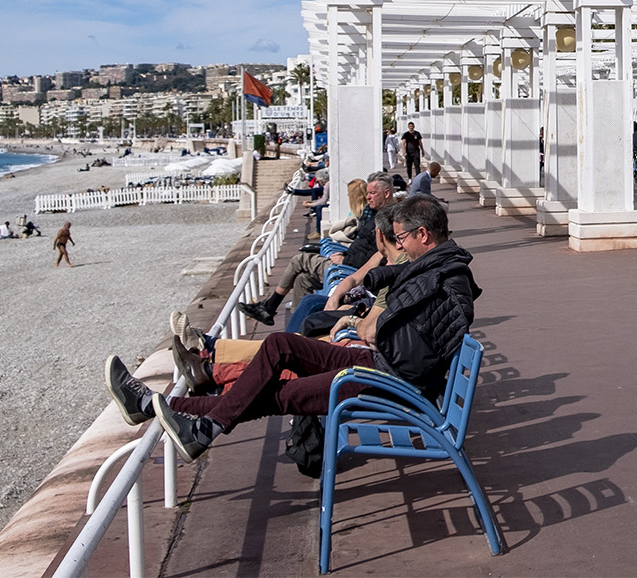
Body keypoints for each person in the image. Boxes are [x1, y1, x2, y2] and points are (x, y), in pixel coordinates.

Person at [106, 194, 481, 463]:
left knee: (279, 392)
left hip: (389, 381)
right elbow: (402, 285)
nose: (399, 246)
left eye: (401, 239)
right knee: (280, 346)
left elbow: (400, 346)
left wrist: (371, 324)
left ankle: (167, 411)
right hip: (379, 365)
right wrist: (373, 283)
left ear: (423, 236)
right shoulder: (439, 268)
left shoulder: (446, 281)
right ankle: (193, 425)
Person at [240, 179, 393, 325]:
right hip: (345, 260)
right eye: (367, 193)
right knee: (302, 279)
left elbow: (374, 255)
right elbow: (362, 247)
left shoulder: (386, 219)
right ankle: (299, 326)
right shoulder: (372, 213)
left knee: (298, 260)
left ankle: (270, 307)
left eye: (372, 193)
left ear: (386, 193)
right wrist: (345, 255)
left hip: (346, 268)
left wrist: (345, 260)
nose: (368, 197)